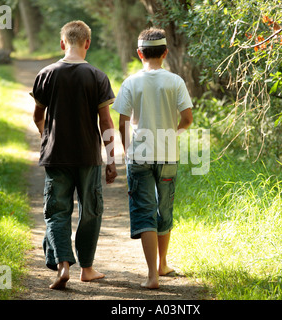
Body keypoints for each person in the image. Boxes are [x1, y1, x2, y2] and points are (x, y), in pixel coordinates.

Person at [31, 20, 117, 290]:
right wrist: (111, 158)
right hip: (88, 156)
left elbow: (38, 116)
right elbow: (106, 123)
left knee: (56, 211)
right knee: (90, 210)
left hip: (56, 156)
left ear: (62, 43)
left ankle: (63, 265)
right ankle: (87, 268)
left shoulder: (46, 73)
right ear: (87, 44)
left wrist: (49, 138)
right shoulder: (97, 76)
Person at [113, 28, 193, 289]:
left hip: (139, 155)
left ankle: (152, 276)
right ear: (165, 53)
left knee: (144, 211)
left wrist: (127, 150)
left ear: (139, 54)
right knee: (164, 209)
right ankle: (163, 263)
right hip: (168, 154)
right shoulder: (175, 81)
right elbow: (188, 118)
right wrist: (173, 132)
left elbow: (122, 122)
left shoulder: (130, 82)